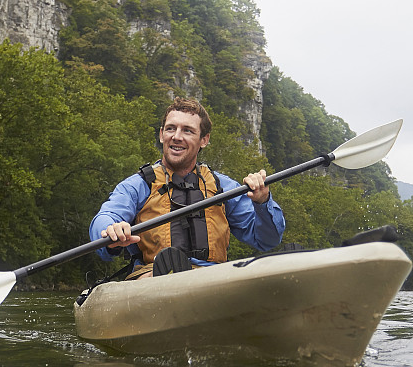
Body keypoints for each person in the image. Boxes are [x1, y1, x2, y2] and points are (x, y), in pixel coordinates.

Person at [89, 97, 285, 277]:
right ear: (161, 134)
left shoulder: (222, 187)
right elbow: (106, 217)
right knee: (161, 273)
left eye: (187, 131)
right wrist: (110, 230)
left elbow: (266, 240)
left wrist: (262, 202)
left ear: (204, 140)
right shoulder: (138, 185)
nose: (176, 136)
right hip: (152, 276)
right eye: (170, 128)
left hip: (213, 276)